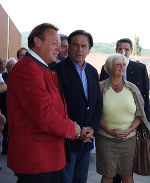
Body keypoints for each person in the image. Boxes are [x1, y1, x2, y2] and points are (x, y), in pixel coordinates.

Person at [7, 23, 81, 183]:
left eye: (60, 45)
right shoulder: (28, 69)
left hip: (45, 157)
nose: (60, 49)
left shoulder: (39, 68)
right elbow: (44, 114)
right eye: (54, 43)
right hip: (37, 159)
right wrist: (71, 128)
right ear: (37, 42)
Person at [54, 30, 103, 183]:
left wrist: (92, 128)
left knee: (81, 179)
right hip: (66, 140)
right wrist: (75, 130)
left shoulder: (93, 71)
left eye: (84, 46)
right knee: (64, 179)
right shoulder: (57, 70)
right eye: (75, 45)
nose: (79, 49)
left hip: (87, 139)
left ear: (89, 49)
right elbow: (56, 106)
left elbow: (97, 103)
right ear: (68, 47)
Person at [99, 38, 150, 183]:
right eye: (120, 49)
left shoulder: (137, 73)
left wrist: (141, 123)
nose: (123, 52)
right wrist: (108, 130)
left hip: (129, 136)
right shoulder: (102, 84)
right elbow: (97, 109)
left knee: (127, 174)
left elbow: (144, 100)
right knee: (109, 174)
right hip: (106, 136)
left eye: (126, 49)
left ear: (131, 51)